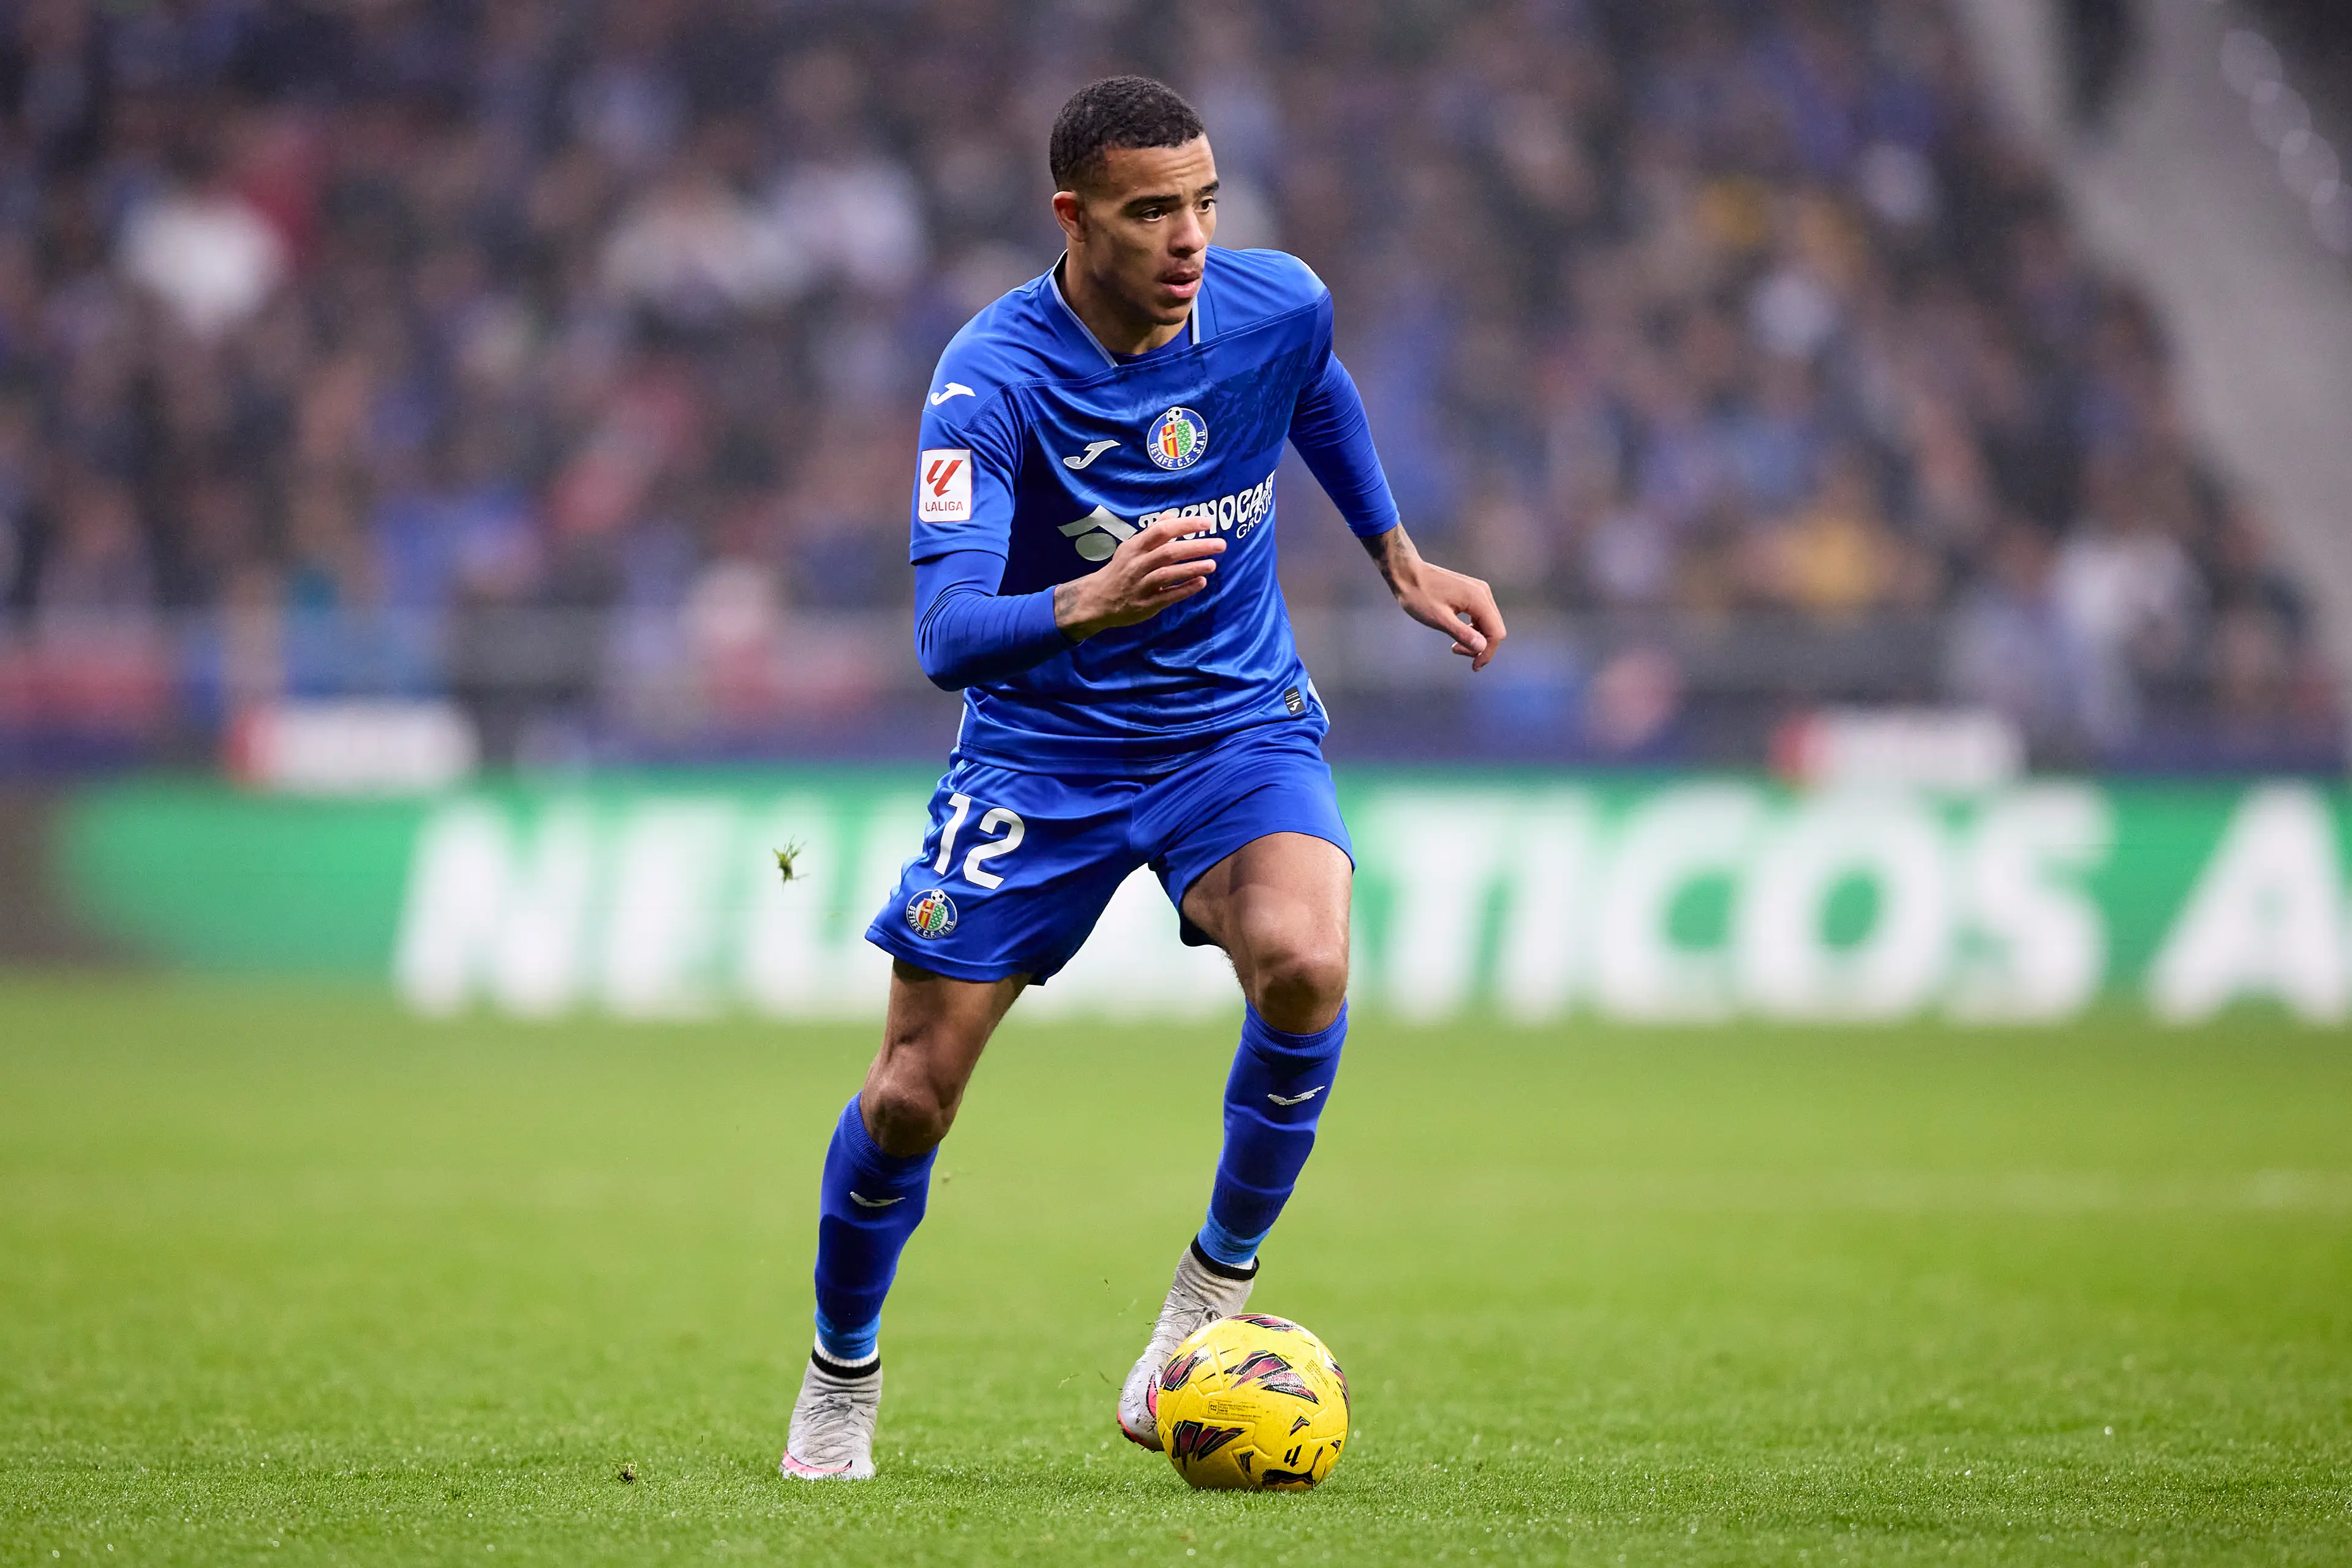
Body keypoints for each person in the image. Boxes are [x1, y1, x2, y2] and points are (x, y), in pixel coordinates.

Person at [780, 75, 1506, 1480]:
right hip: (1041, 751)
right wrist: (1087, 600)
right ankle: (839, 1376)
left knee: (1305, 960)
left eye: (1206, 202)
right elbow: (943, 632)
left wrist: (1398, 556)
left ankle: (1207, 1294)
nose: (1191, 238)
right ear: (1074, 217)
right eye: (1153, 211)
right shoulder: (988, 379)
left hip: (1235, 728)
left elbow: (1316, 386)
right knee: (911, 1094)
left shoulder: (1273, 301)